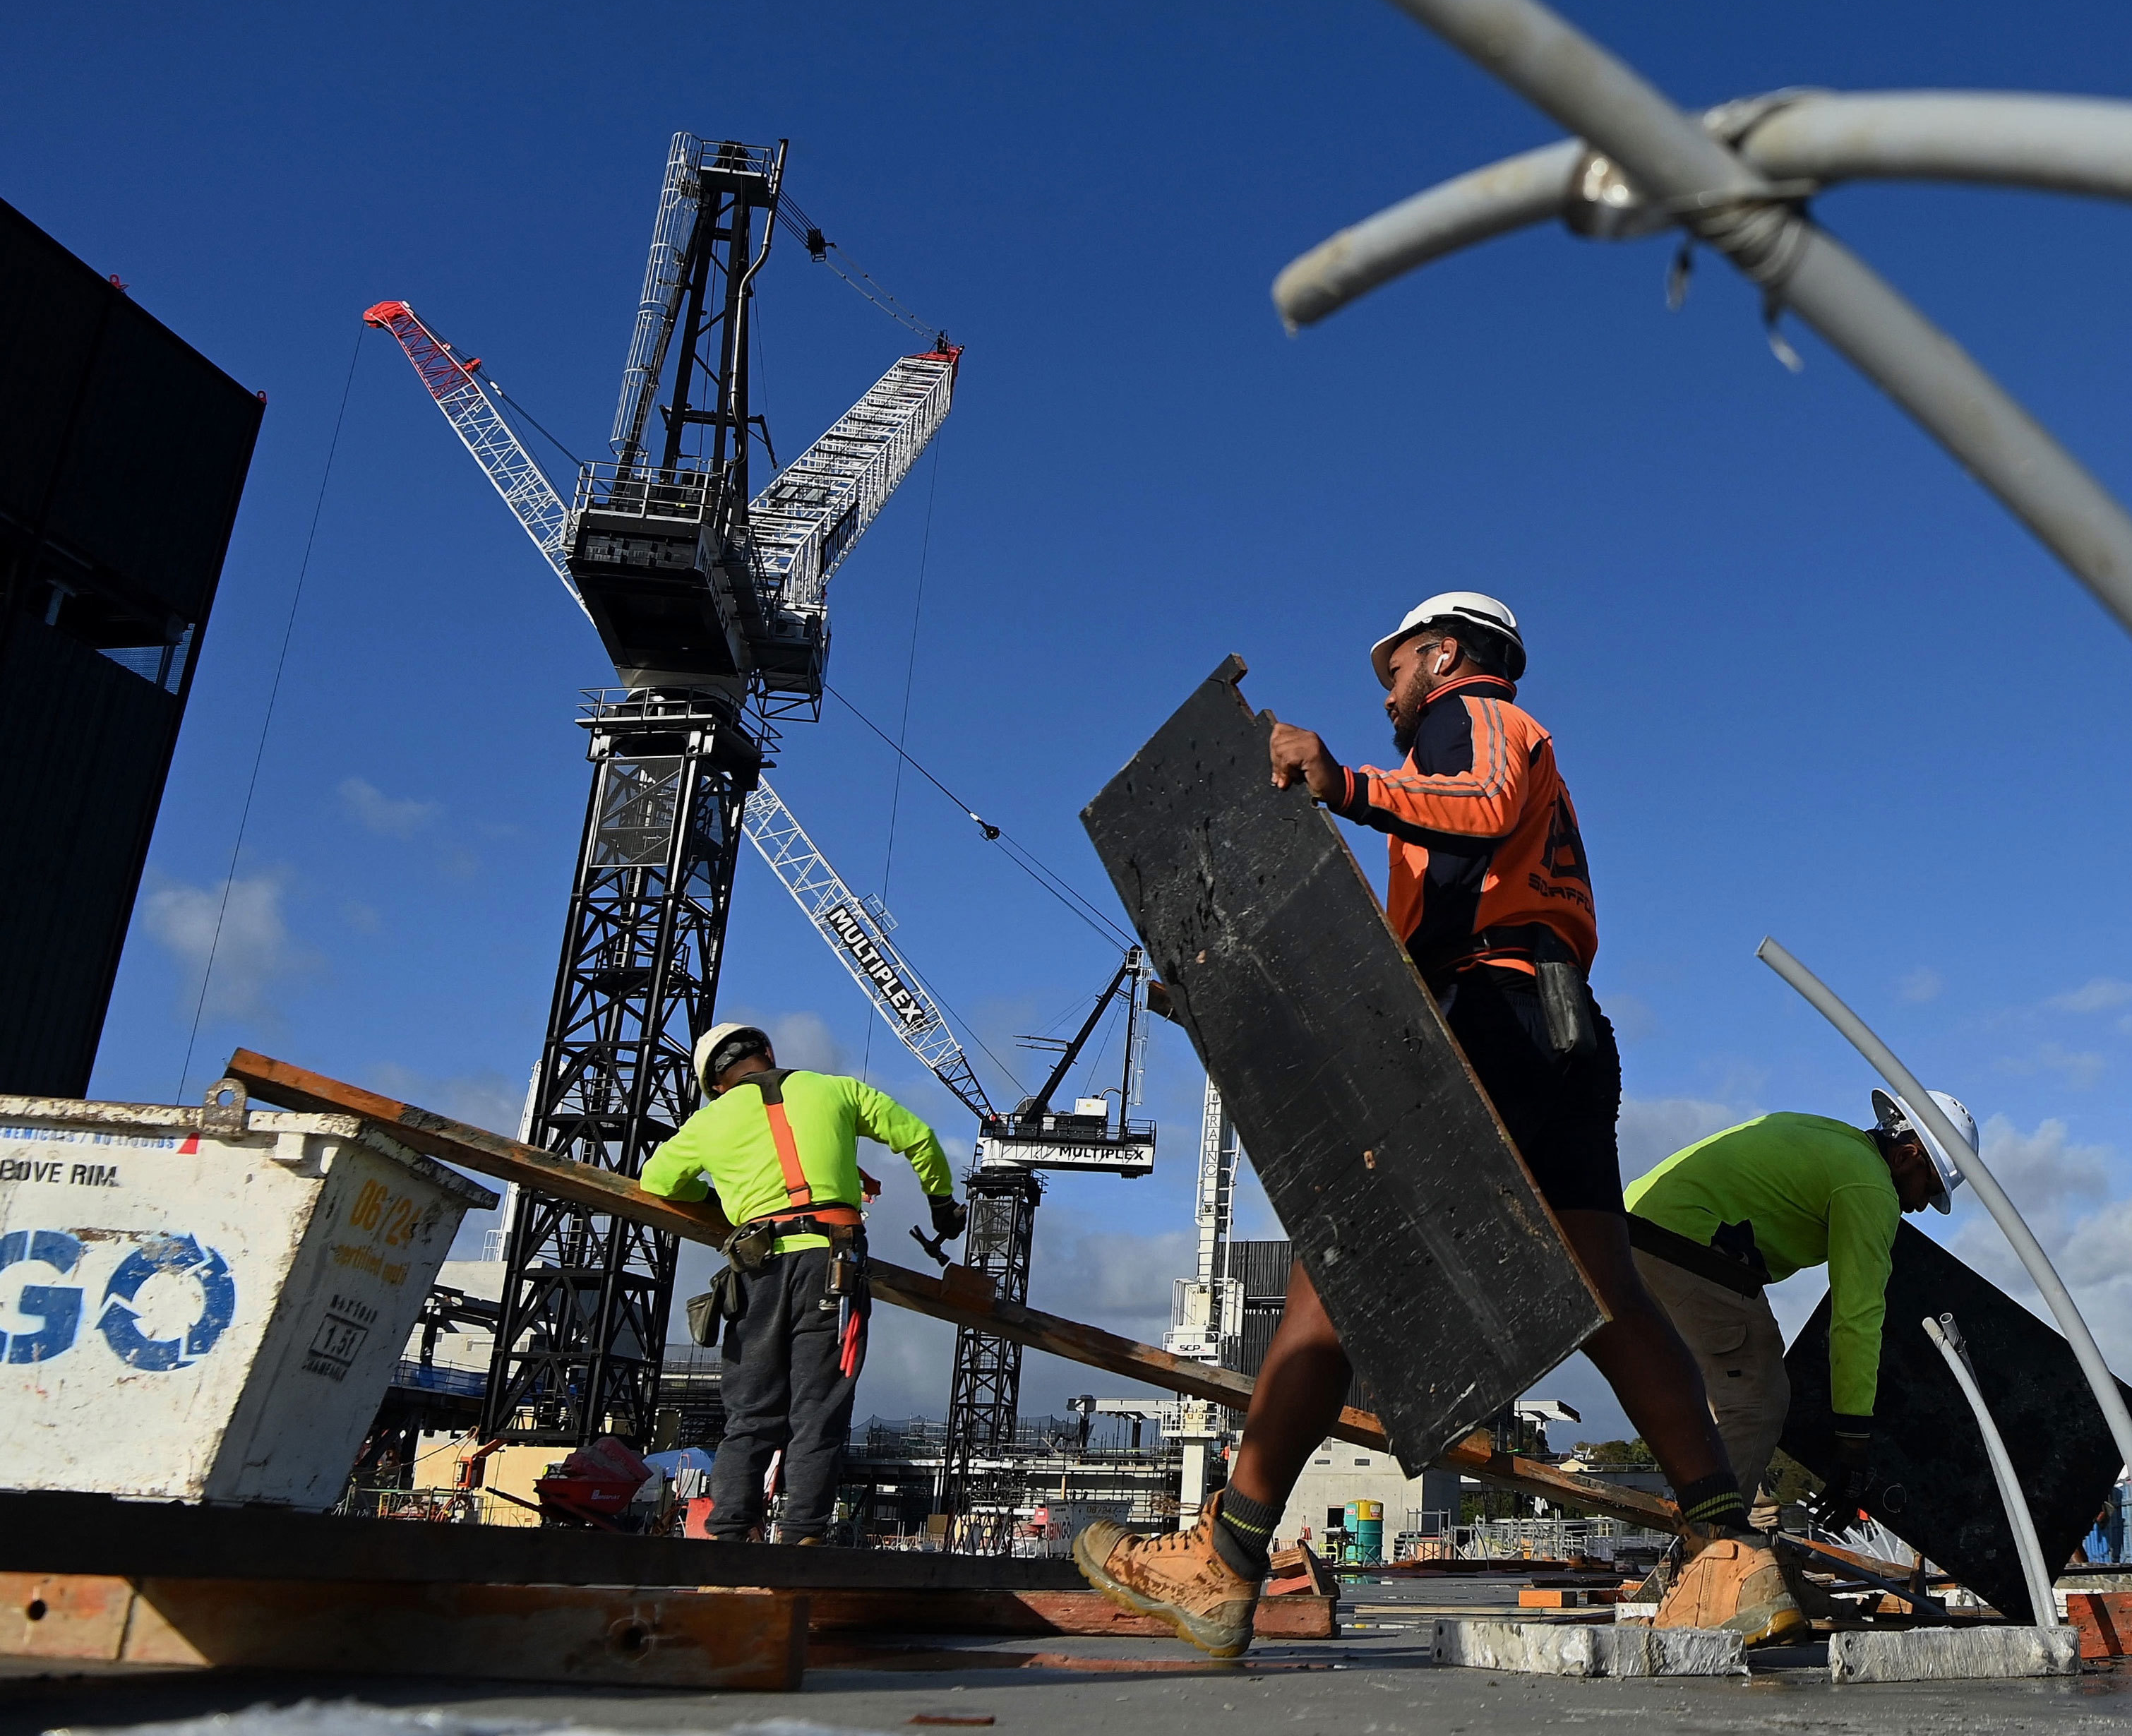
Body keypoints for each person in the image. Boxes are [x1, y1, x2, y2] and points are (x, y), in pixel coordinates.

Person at [1077, 592, 1804, 1658]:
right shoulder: (1461, 767)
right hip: (1552, 1027)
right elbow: (1395, 932)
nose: (1386, 692)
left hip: (1492, 1021)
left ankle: (1225, 1561)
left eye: (1395, 668)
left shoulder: (1468, 721)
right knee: (1605, 1297)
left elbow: (1483, 800)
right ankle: (1726, 1552)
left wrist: (1347, 783)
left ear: (1446, 653)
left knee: (1333, 1280)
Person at [640, 1021, 964, 1544]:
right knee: (819, 1409)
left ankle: (728, 1538)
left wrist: (725, 1204)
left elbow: (656, 1182)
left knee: (750, 1413)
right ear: (768, 1053)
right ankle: (802, 1537)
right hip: (832, 1265)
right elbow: (918, 1136)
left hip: (755, 1269)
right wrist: (942, 1203)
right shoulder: (835, 1088)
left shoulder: (710, 1120)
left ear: (715, 1083)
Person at [1622, 1089, 1976, 1524]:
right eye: (1930, 1187)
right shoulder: (1869, 1184)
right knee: (1760, 1399)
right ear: (1905, 1157)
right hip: (1687, 1245)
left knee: (1723, 1390)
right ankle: (1709, 1552)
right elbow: (1856, 1318)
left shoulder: (1829, 1138)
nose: (1921, 1206)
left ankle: (1744, 1513)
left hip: (1627, 1230)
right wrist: (1853, 1443)